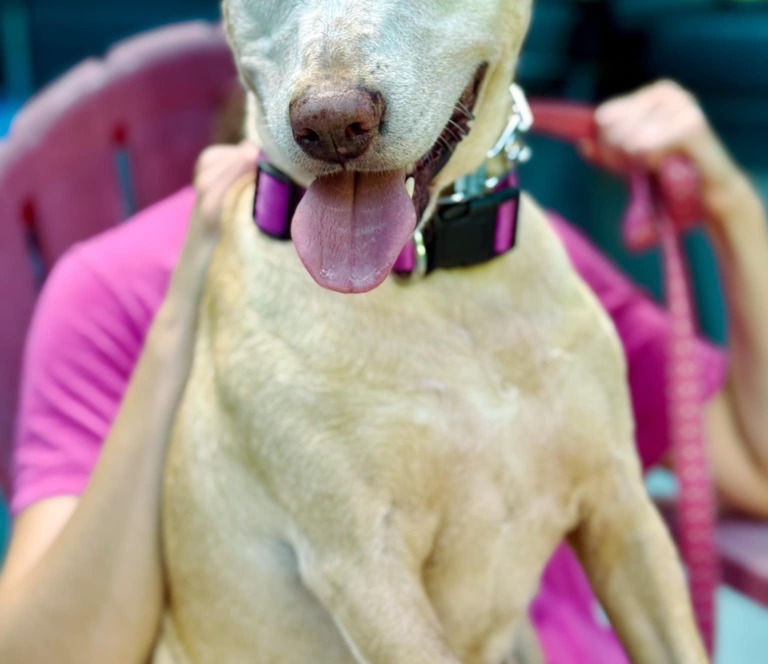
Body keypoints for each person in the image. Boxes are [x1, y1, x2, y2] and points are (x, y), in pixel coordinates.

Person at [1, 79, 767, 664]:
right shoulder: (123, 284)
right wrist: (189, 316)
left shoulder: (517, 251)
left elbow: (751, 466)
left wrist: (730, 203)